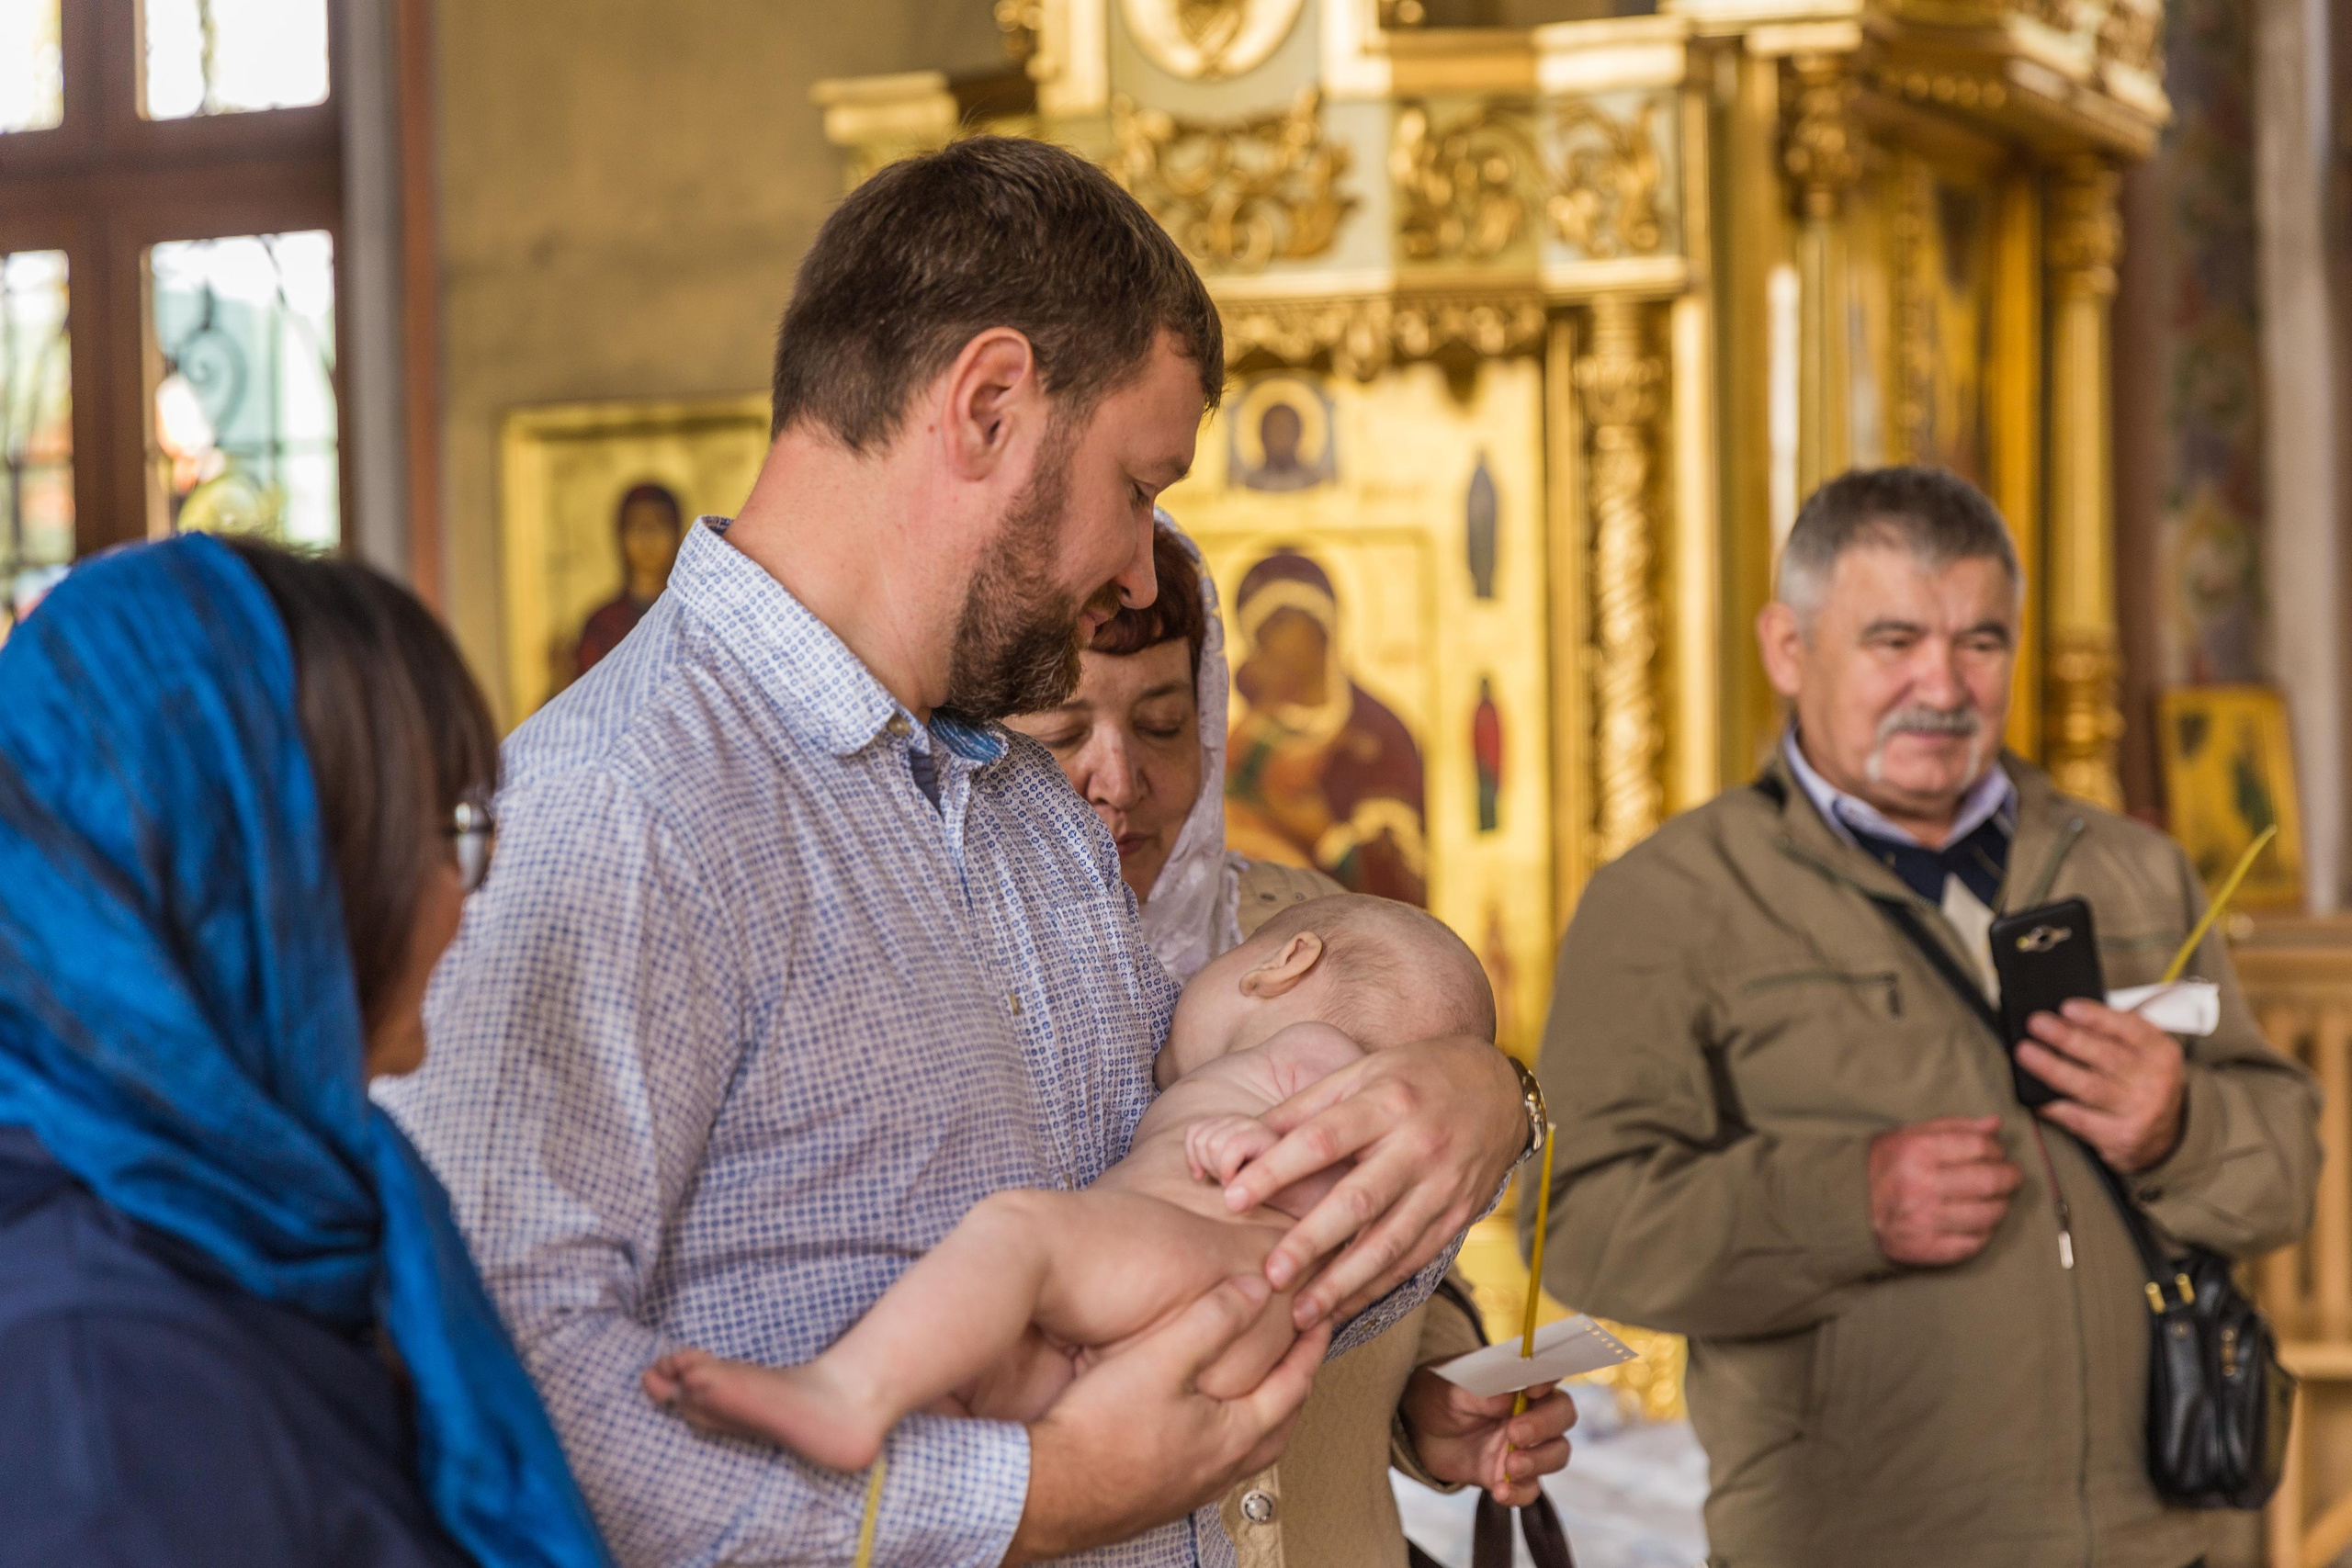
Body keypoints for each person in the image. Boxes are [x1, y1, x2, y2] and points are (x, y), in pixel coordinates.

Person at [381, 135, 1532, 1568]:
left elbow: (1203, 1237)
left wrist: (1480, 1098)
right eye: (1136, 485)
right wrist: (1025, 1499)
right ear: (989, 403)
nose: (1137, 569)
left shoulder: (1026, 806)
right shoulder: (619, 808)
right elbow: (495, 1393)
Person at [1528, 465, 2321, 1568]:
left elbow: (2284, 1174)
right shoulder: (1667, 901)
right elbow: (1573, 1225)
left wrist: (2178, 1128)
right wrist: (1842, 1204)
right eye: (1893, 641)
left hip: (2165, 1541)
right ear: (1788, 648)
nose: (1943, 685)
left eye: (1981, 642)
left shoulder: (2136, 871)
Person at [0, 535, 608, 1568]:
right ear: (257, 886)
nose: (469, 896)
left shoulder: (299, 1215)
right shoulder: (96, 1404)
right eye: (449, 833)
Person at [1006, 520, 1575, 1568]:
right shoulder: (945, 972)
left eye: (1164, 723)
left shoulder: (1305, 921)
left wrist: (1434, 1392)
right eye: (1058, 736)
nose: (1117, 777)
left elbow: (1402, 1217)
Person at [643, 897, 1497, 1472]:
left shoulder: (1320, 1057)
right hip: (1232, 1327)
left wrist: (1244, 1140)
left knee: (1021, 1235)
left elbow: (1312, 1159)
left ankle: (844, 1392)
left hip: (1188, 1263)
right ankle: (910, 1432)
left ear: (1282, 965)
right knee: (1010, 1376)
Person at [1225, 548, 1428, 904]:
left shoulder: (1381, 737)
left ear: (1323, 630)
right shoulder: (1248, 736)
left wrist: (1326, 836)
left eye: (1286, 622)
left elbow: (1403, 877)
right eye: (1265, 629)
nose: (1276, 642)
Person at [573, 481, 687, 676]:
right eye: (637, 524)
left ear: (677, 534)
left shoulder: (691, 617)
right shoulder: (602, 624)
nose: (647, 536)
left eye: (660, 524)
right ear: (621, 535)